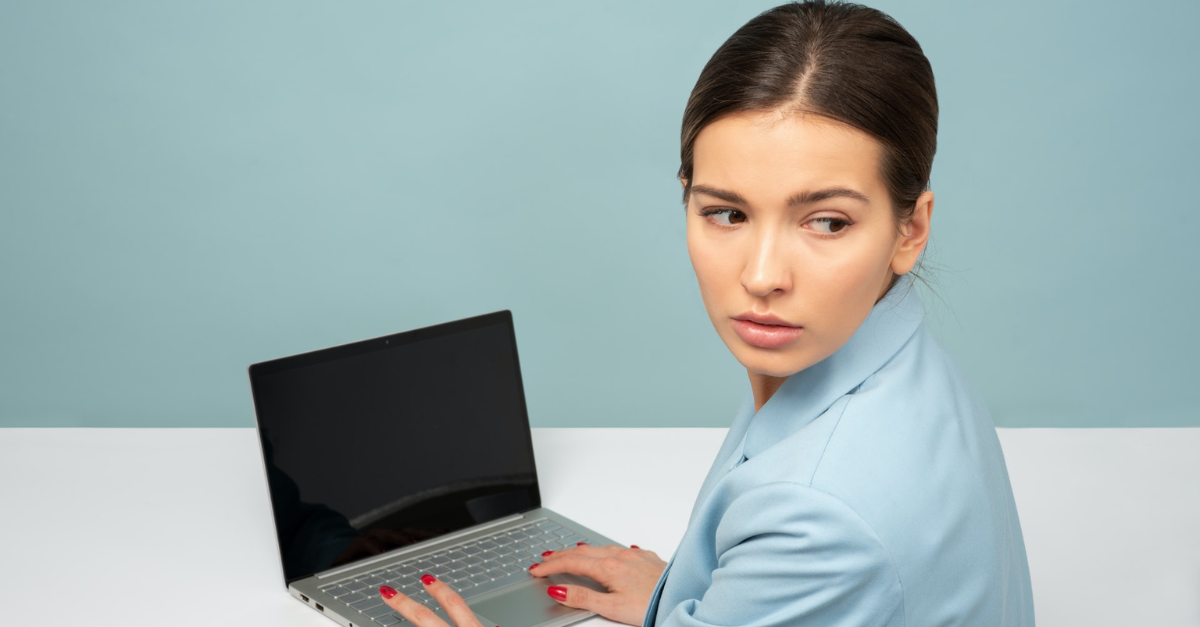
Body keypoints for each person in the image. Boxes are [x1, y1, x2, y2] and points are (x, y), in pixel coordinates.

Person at [373, 1, 1035, 625]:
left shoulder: (817, 516)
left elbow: (824, 521)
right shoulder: (893, 355)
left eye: (827, 222)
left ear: (910, 230)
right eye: (727, 213)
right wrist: (686, 594)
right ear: (687, 198)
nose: (762, 276)